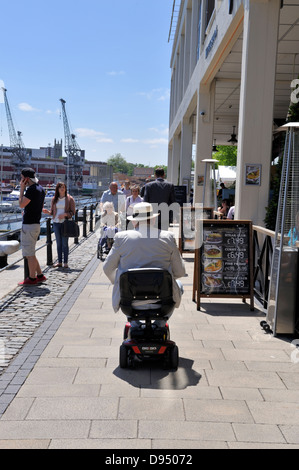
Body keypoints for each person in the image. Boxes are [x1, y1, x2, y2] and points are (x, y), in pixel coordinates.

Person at [103, 202, 186, 326]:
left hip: (130, 301)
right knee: (179, 285)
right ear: (153, 219)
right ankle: (160, 324)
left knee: (123, 285)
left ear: (134, 221)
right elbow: (180, 272)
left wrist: (118, 281)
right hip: (163, 301)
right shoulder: (167, 237)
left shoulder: (122, 238)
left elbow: (107, 268)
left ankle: (135, 326)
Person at [18, 168, 47, 286]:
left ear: (25, 179)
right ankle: (39, 275)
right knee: (32, 252)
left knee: (28, 254)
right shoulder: (41, 189)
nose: (20, 180)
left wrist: (21, 189)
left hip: (29, 225)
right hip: (36, 223)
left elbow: (21, 204)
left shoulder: (31, 190)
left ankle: (31, 278)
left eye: (21, 178)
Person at [43, 182, 75, 268]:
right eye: (60, 187)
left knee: (65, 243)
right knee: (58, 243)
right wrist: (48, 212)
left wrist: (65, 214)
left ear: (65, 188)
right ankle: (59, 262)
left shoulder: (69, 199)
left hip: (65, 223)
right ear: (57, 189)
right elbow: (53, 212)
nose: (62, 188)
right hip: (56, 223)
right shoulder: (54, 199)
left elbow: (73, 212)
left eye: (63, 187)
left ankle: (65, 262)